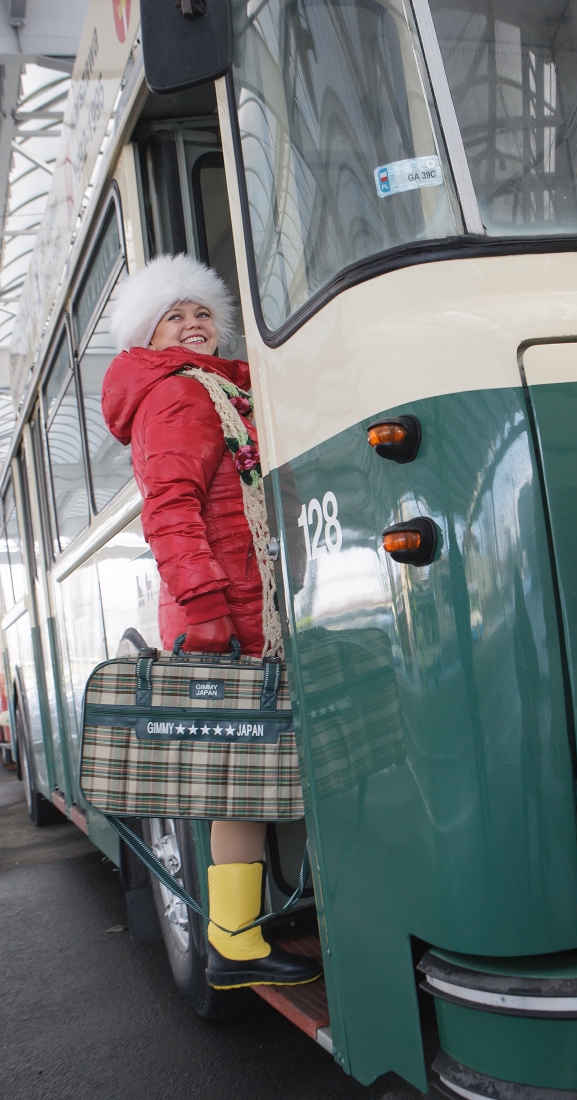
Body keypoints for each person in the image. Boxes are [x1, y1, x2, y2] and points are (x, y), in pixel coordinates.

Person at [101, 253, 321, 990]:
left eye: (203, 314)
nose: (194, 324)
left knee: (246, 781)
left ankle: (238, 937)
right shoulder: (179, 398)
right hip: (224, 615)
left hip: (245, 608)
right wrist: (205, 614)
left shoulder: (221, 391)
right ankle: (233, 943)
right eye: (176, 315)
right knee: (242, 783)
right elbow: (171, 514)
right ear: (149, 333)